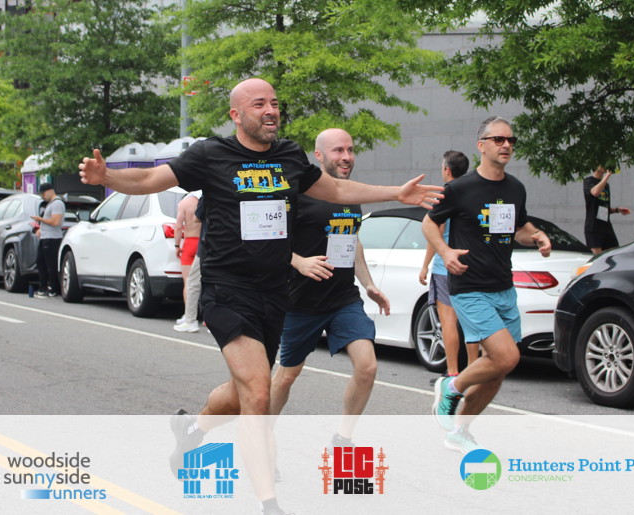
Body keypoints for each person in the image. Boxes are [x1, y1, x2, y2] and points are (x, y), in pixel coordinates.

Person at [79, 78, 442, 515]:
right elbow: (151, 177)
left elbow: (337, 191)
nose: (270, 110)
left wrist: (395, 193)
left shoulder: (289, 156)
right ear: (236, 115)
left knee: (244, 393)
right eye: (258, 104)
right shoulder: (211, 154)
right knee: (257, 393)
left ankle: (192, 430)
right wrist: (108, 178)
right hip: (227, 290)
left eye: (274, 103)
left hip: (274, 293)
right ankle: (268, 503)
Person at [423, 116, 551, 453]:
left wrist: (537, 235)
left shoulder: (515, 189)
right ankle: (452, 386)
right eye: (498, 139)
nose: (506, 145)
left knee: (497, 371)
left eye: (511, 140)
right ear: (481, 146)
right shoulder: (460, 188)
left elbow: (518, 228)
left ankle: (459, 431)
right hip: (470, 286)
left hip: (503, 287)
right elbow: (429, 224)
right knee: (506, 356)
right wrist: (445, 252)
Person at [268, 128, 391, 445]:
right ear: (319, 155)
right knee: (287, 376)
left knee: (367, 367)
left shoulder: (351, 195)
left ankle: (343, 437)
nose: (346, 157)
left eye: (350, 150)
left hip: (343, 299)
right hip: (300, 302)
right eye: (338, 150)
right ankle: (261, 435)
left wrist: (368, 284)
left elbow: (352, 240)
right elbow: (270, 240)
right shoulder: (297, 192)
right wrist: (298, 262)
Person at [418, 150, 471, 380]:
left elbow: (435, 234)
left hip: (446, 266)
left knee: (447, 321)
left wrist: (425, 266)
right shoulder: (473, 195)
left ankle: (452, 373)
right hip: (470, 265)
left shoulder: (445, 196)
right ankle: (473, 372)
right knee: (471, 322)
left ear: (447, 170)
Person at [583, 166, 631, 254]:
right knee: (597, 257)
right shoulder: (588, 181)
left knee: (614, 252)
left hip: (606, 225)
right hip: (594, 226)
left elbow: (604, 207)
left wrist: (617, 210)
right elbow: (595, 192)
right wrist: (607, 175)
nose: (604, 166)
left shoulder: (606, 185)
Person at [173, 191, 202, 332]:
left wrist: (177, 245)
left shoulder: (184, 203)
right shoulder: (203, 200)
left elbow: (178, 226)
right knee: (205, 282)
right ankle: (207, 320)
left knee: (189, 282)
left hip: (190, 242)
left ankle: (188, 316)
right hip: (203, 242)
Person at [31, 182, 65, 298]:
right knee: (41, 262)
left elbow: (56, 222)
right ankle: (43, 286)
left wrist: (40, 219)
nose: (43, 197)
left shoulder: (57, 203)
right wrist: (40, 228)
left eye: (43, 194)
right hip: (45, 237)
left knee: (51, 264)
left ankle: (53, 288)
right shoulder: (50, 204)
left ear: (50, 191)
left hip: (52, 238)